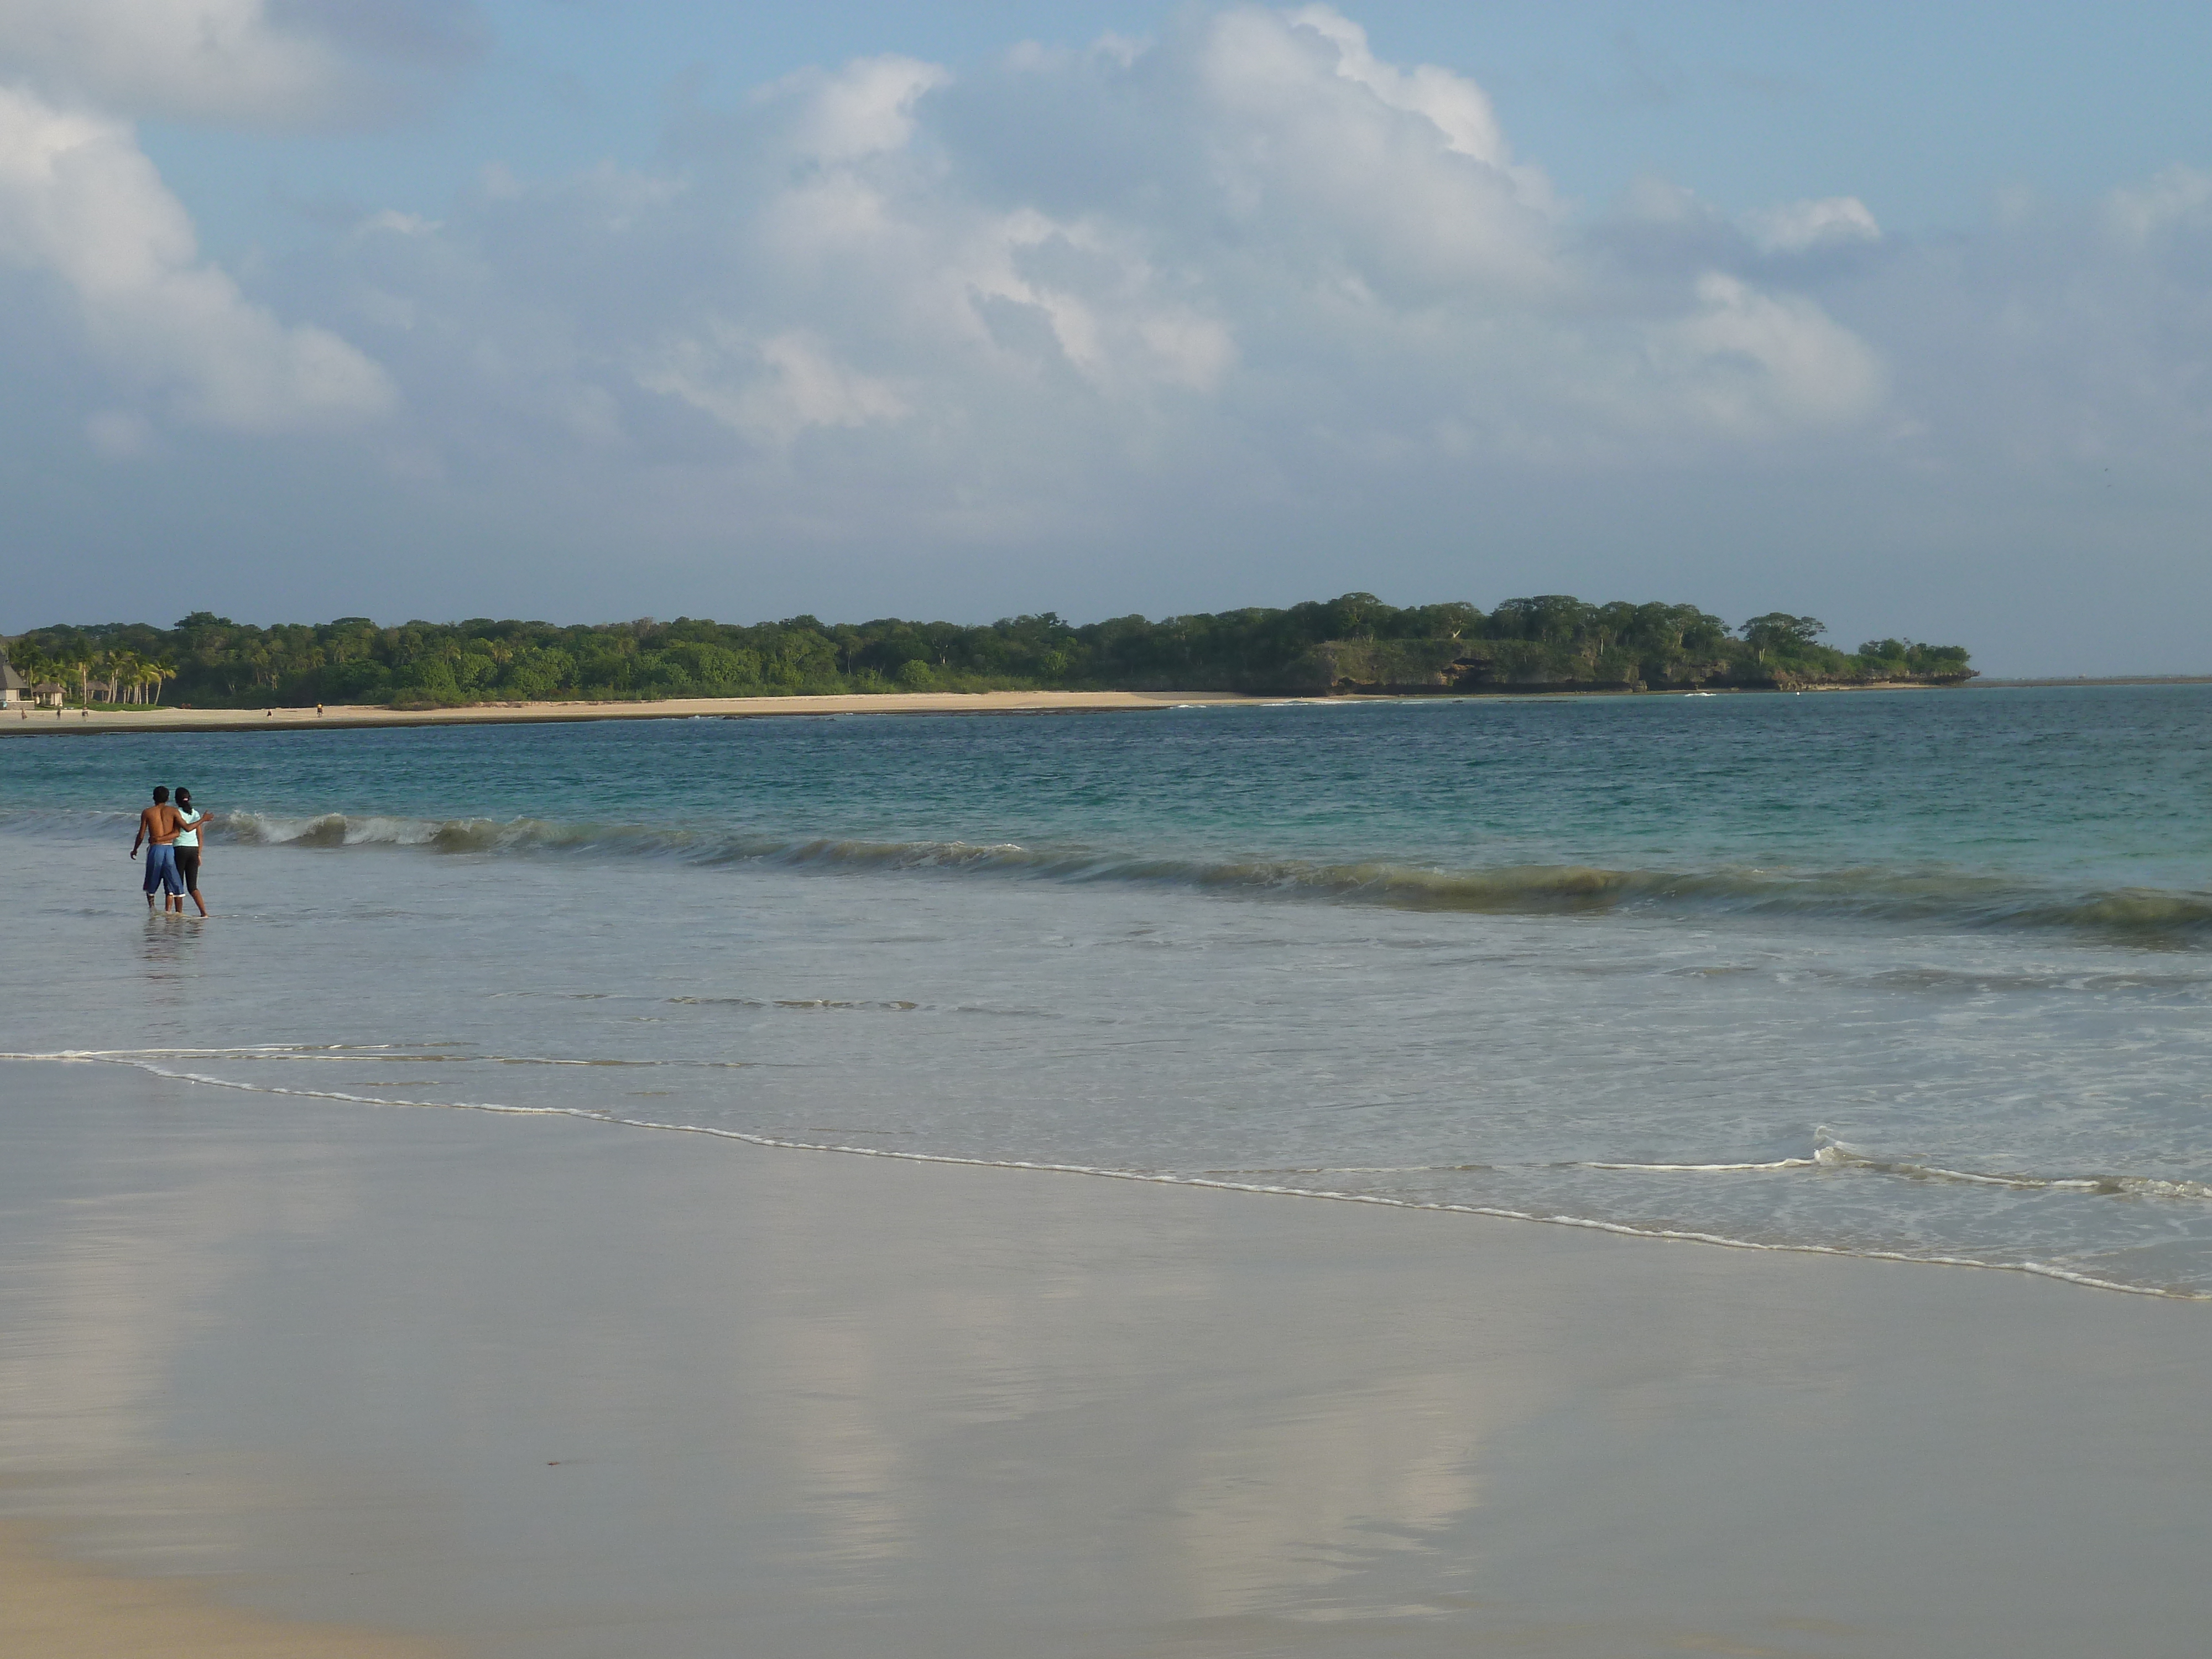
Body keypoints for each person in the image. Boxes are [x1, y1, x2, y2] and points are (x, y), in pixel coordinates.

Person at [129, 786, 184, 912]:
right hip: (169, 849)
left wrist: (135, 849)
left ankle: (152, 909)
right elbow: (178, 832)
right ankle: (178, 913)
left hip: (155, 850)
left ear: (153, 797)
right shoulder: (174, 811)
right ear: (168, 798)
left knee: (151, 880)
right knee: (174, 880)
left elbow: (141, 834)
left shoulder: (147, 812)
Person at [172, 787, 208, 916]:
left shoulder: (176, 813)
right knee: (193, 886)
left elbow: (175, 832)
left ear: (176, 800)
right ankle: (204, 913)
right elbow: (200, 835)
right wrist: (199, 854)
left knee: (178, 884)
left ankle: (179, 913)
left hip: (180, 849)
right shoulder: (196, 814)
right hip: (193, 850)